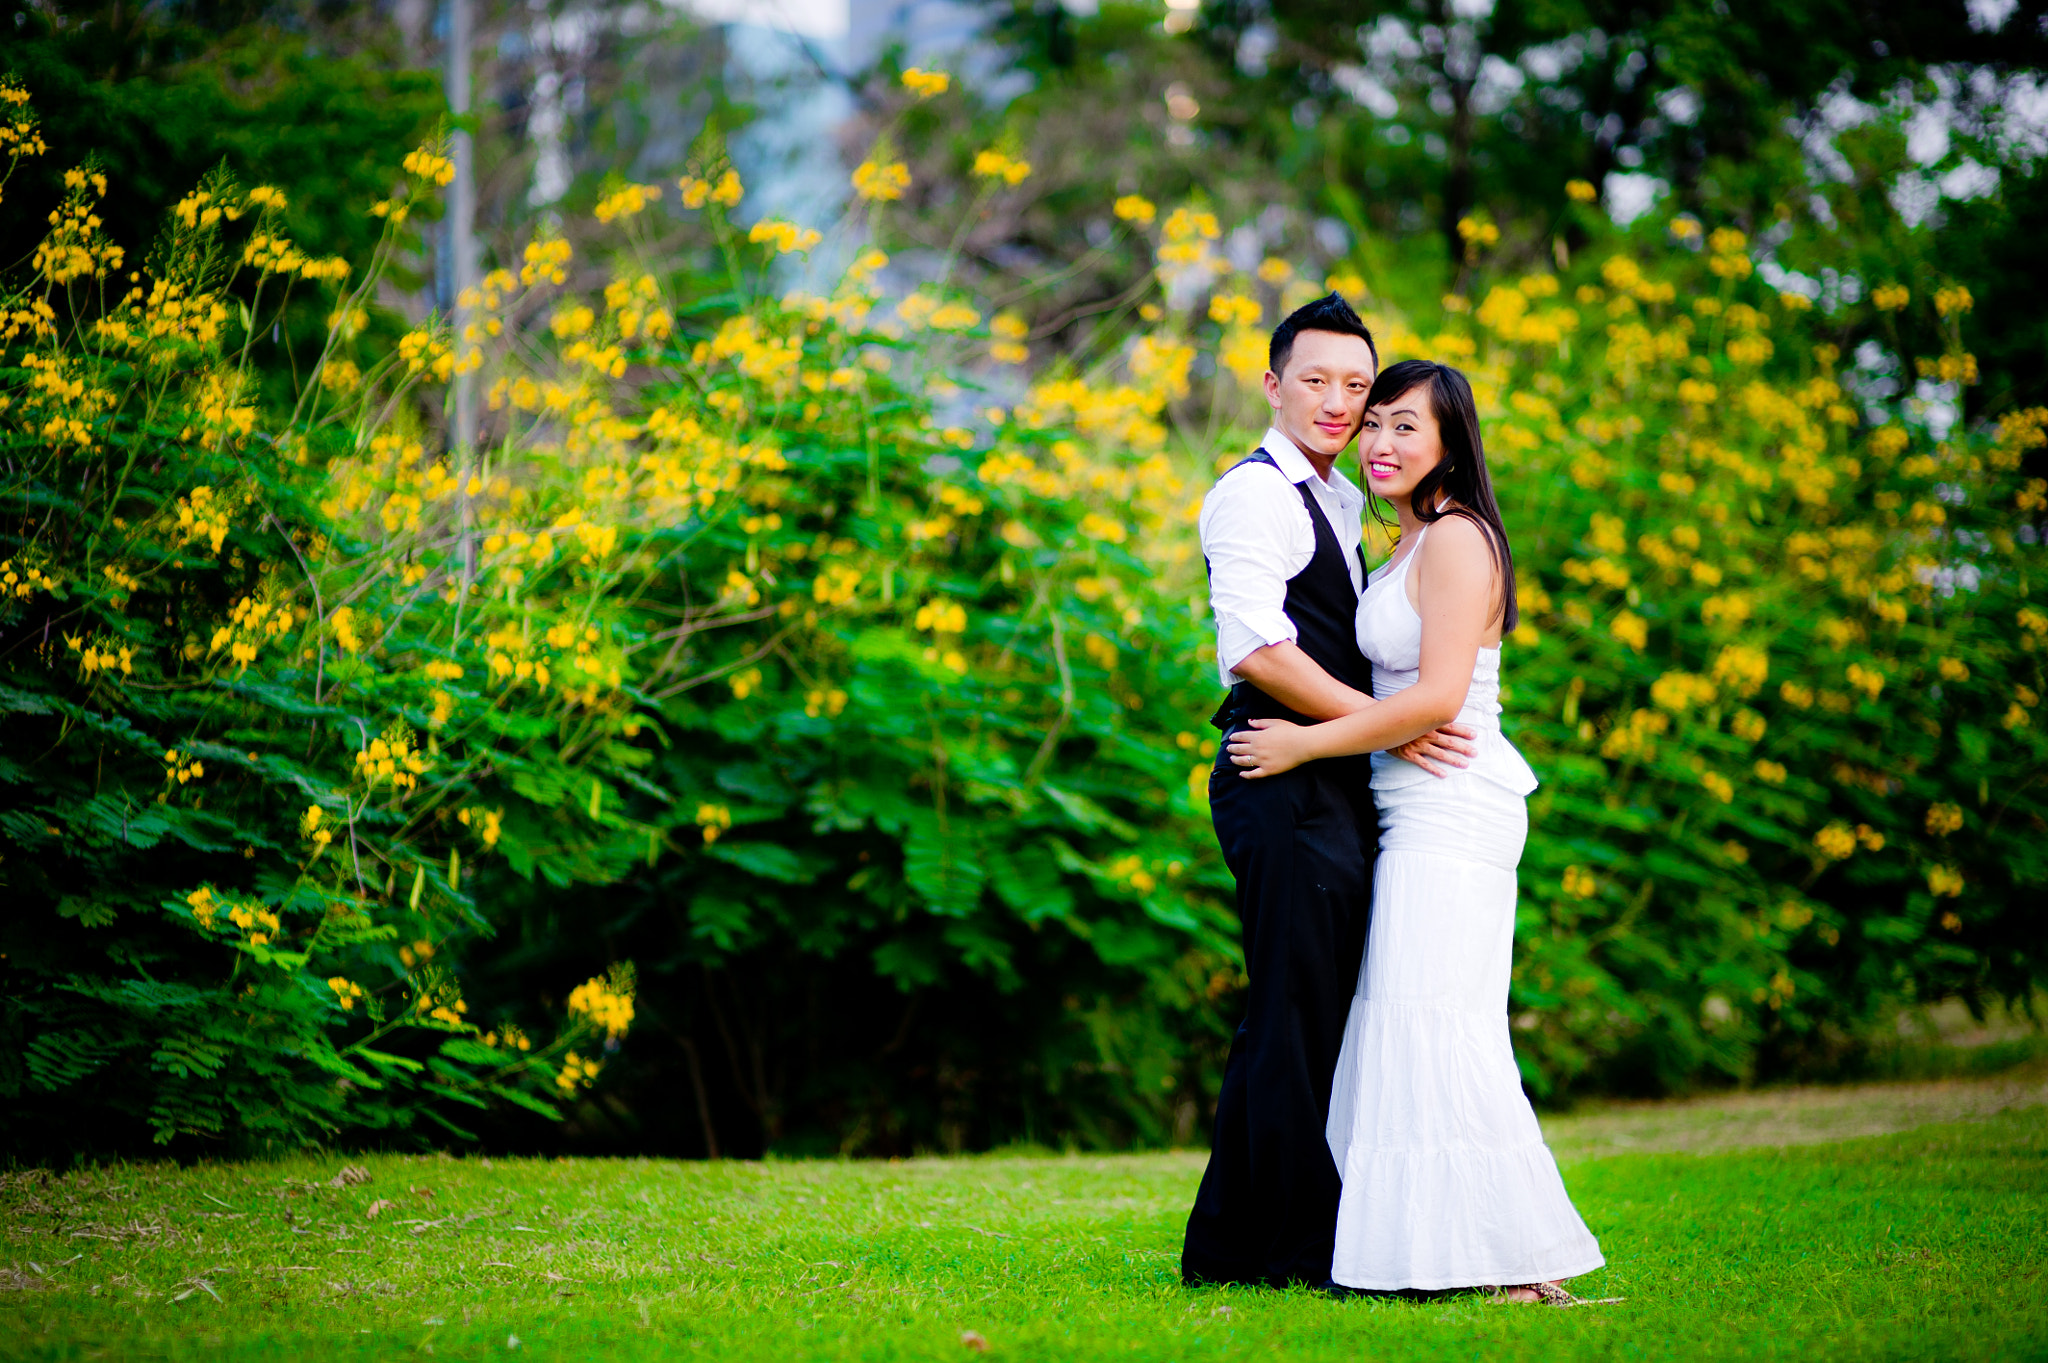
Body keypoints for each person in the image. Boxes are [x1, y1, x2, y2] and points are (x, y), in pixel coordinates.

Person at [1224, 359, 1608, 1306]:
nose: (1383, 443)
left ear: (1449, 444)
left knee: (1440, 1018)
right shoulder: (1400, 542)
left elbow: (1438, 698)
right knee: (1399, 1013)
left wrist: (1307, 742)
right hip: (1405, 804)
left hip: (1454, 804)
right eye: (1376, 424)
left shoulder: (1458, 541)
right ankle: (1418, 1252)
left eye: (1407, 427)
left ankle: (1519, 1262)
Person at [1182, 298, 1476, 1290]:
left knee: (1295, 1011)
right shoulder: (1254, 495)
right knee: (1293, 1014)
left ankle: (1227, 1245)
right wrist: (1381, 721)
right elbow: (1256, 647)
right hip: (1278, 768)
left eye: (1358, 386)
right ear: (1271, 384)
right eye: (1316, 380)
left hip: (1325, 771)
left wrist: (1360, 738)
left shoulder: (1339, 499)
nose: (1339, 403)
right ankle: (1303, 1251)